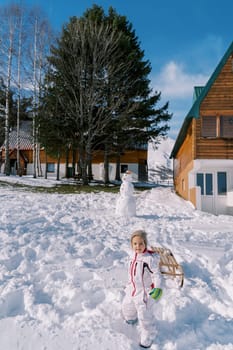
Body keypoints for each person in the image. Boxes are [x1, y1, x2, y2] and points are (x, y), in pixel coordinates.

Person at [122, 230, 163, 348]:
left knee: (144, 315)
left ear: (145, 243)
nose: (137, 246)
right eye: (135, 244)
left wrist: (157, 288)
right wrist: (129, 283)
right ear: (131, 244)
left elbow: (157, 274)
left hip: (143, 292)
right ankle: (131, 318)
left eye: (141, 243)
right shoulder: (132, 255)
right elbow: (131, 272)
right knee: (127, 305)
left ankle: (148, 334)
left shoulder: (149, 259)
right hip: (132, 289)